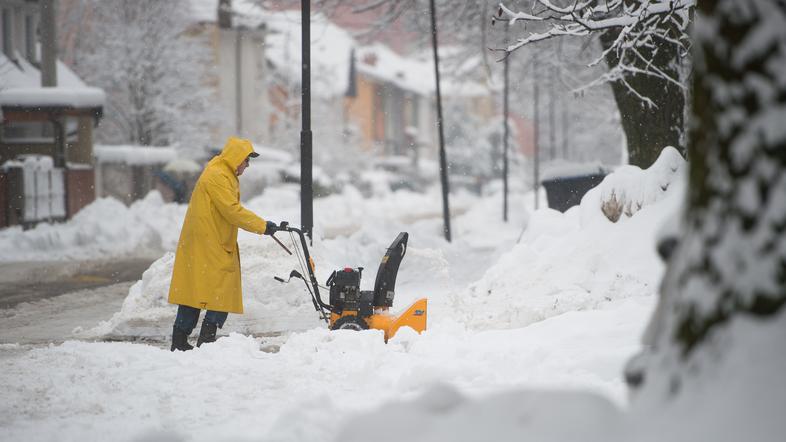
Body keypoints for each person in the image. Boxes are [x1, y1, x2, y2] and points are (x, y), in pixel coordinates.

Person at [168, 137, 279, 351]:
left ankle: (182, 339)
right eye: (246, 161)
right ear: (236, 158)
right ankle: (200, 339)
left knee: (197, 290)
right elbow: (232, 211)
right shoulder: (217, 176)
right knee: (220, 289)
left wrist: (263, 226)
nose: (247, 165)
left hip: (210, 240)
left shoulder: (222, 172)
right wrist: (263, 226)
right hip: (208, 243)